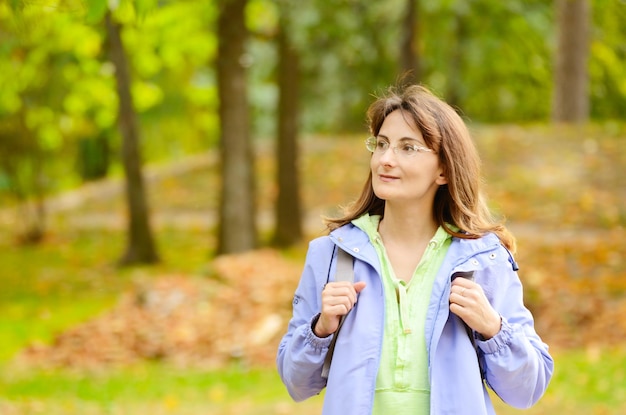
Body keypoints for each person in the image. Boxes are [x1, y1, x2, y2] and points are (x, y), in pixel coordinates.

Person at [276, 84, 553, 415]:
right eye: (381, 145)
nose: (386, 159)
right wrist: (320, 329)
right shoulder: (331, 254)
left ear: (444, 170)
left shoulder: (483, 259)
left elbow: (527, 390)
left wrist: (493, 327)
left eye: (407, 148)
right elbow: (296, 383)